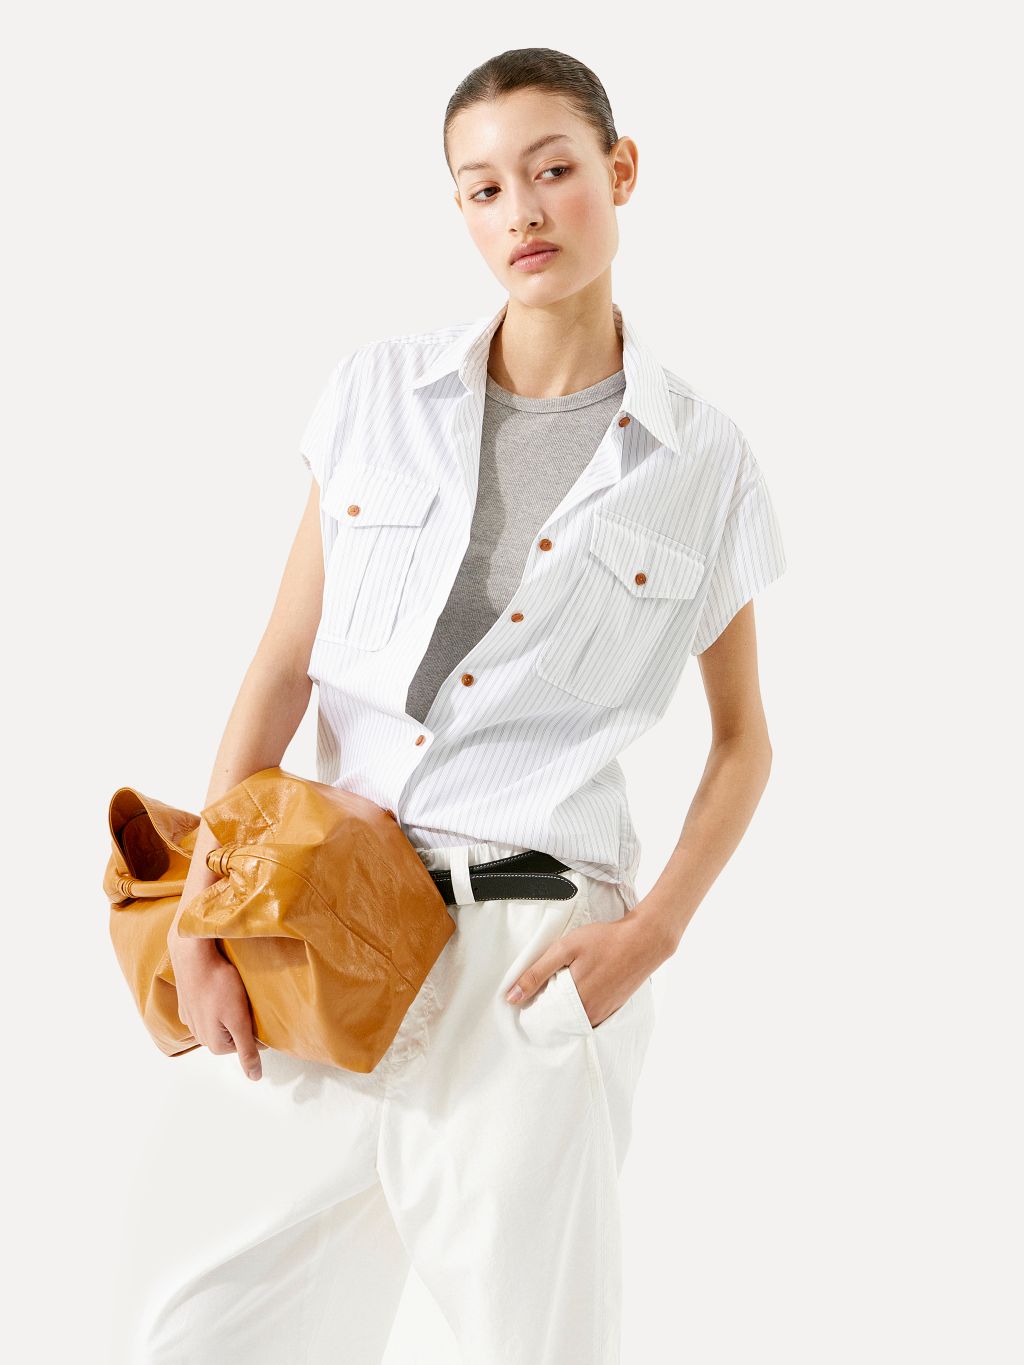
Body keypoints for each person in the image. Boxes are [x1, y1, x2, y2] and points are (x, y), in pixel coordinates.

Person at [119, 46, 787, 1365]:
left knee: (532, 1344)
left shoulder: (703, 462)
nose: (521, 212)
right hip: (327, 925)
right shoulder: (378, 396)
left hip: (533, 960)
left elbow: (742, 743)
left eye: (553, 170)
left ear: (620, 171)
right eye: (483, 188)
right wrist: (202, 911)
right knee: (208, 1331)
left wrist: (651, 935)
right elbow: (281, 666)